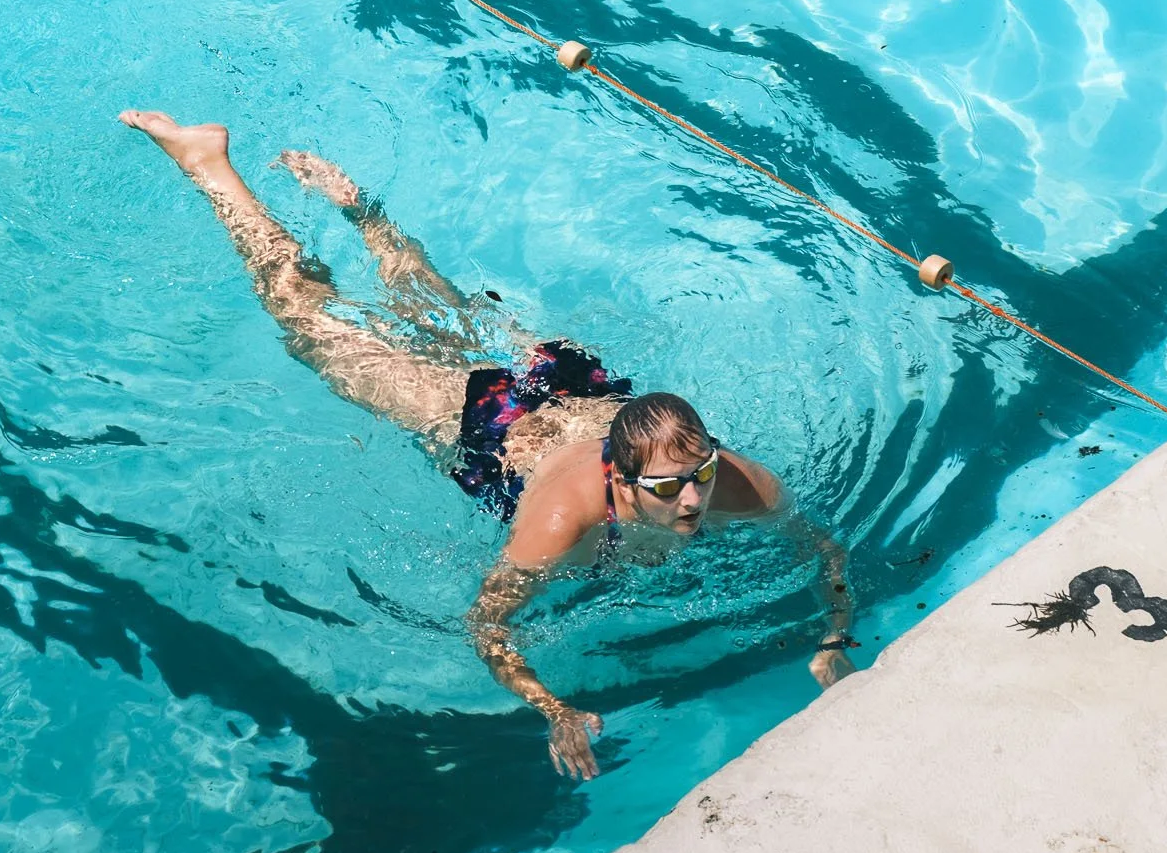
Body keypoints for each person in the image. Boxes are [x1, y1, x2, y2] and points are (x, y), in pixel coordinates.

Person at [119, 110, 855, 777]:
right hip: (487, 422)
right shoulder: (561, 522)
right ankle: (208, 165)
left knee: (434, 306)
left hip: (572, 391)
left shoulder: (734, 481)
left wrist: (833, 636)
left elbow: (821, 549)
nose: (695, 497)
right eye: (669, 488)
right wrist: (553, 707)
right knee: (307, 322)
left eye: (699, 473)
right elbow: (487, 625)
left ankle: (364, 214)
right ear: (620, 482)